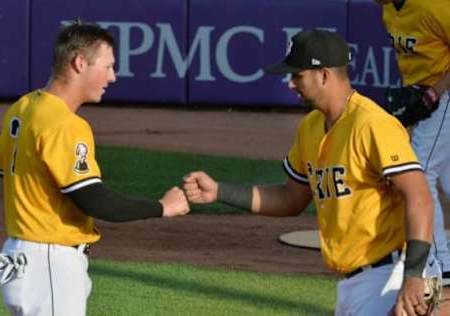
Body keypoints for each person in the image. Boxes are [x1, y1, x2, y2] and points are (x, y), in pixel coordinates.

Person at [183, 29, 441, 315]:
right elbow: (290, 198)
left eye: (297, 75)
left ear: (324, 75)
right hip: (352, 284)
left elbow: (419, 196)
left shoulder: (372, 124)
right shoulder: (310, 128)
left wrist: (413, 275)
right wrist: (219, 191)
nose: (291, 84)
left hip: (390, 274)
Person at [0, 20, 190, 316]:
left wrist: (23, 232)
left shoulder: (24, 107)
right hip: (49, 264)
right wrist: (163, 207)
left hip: (19, 256)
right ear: (80, 63)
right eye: (107, 66)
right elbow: (93, 198)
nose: (113, 76)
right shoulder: (66, 124)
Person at [376, 0, 450, 292]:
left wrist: (434, 92)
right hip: (427, 94)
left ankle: (441, 263)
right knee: (445, 177)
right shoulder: (388, 9)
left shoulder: (435, 6)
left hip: (445, 94)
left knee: (418, 173)